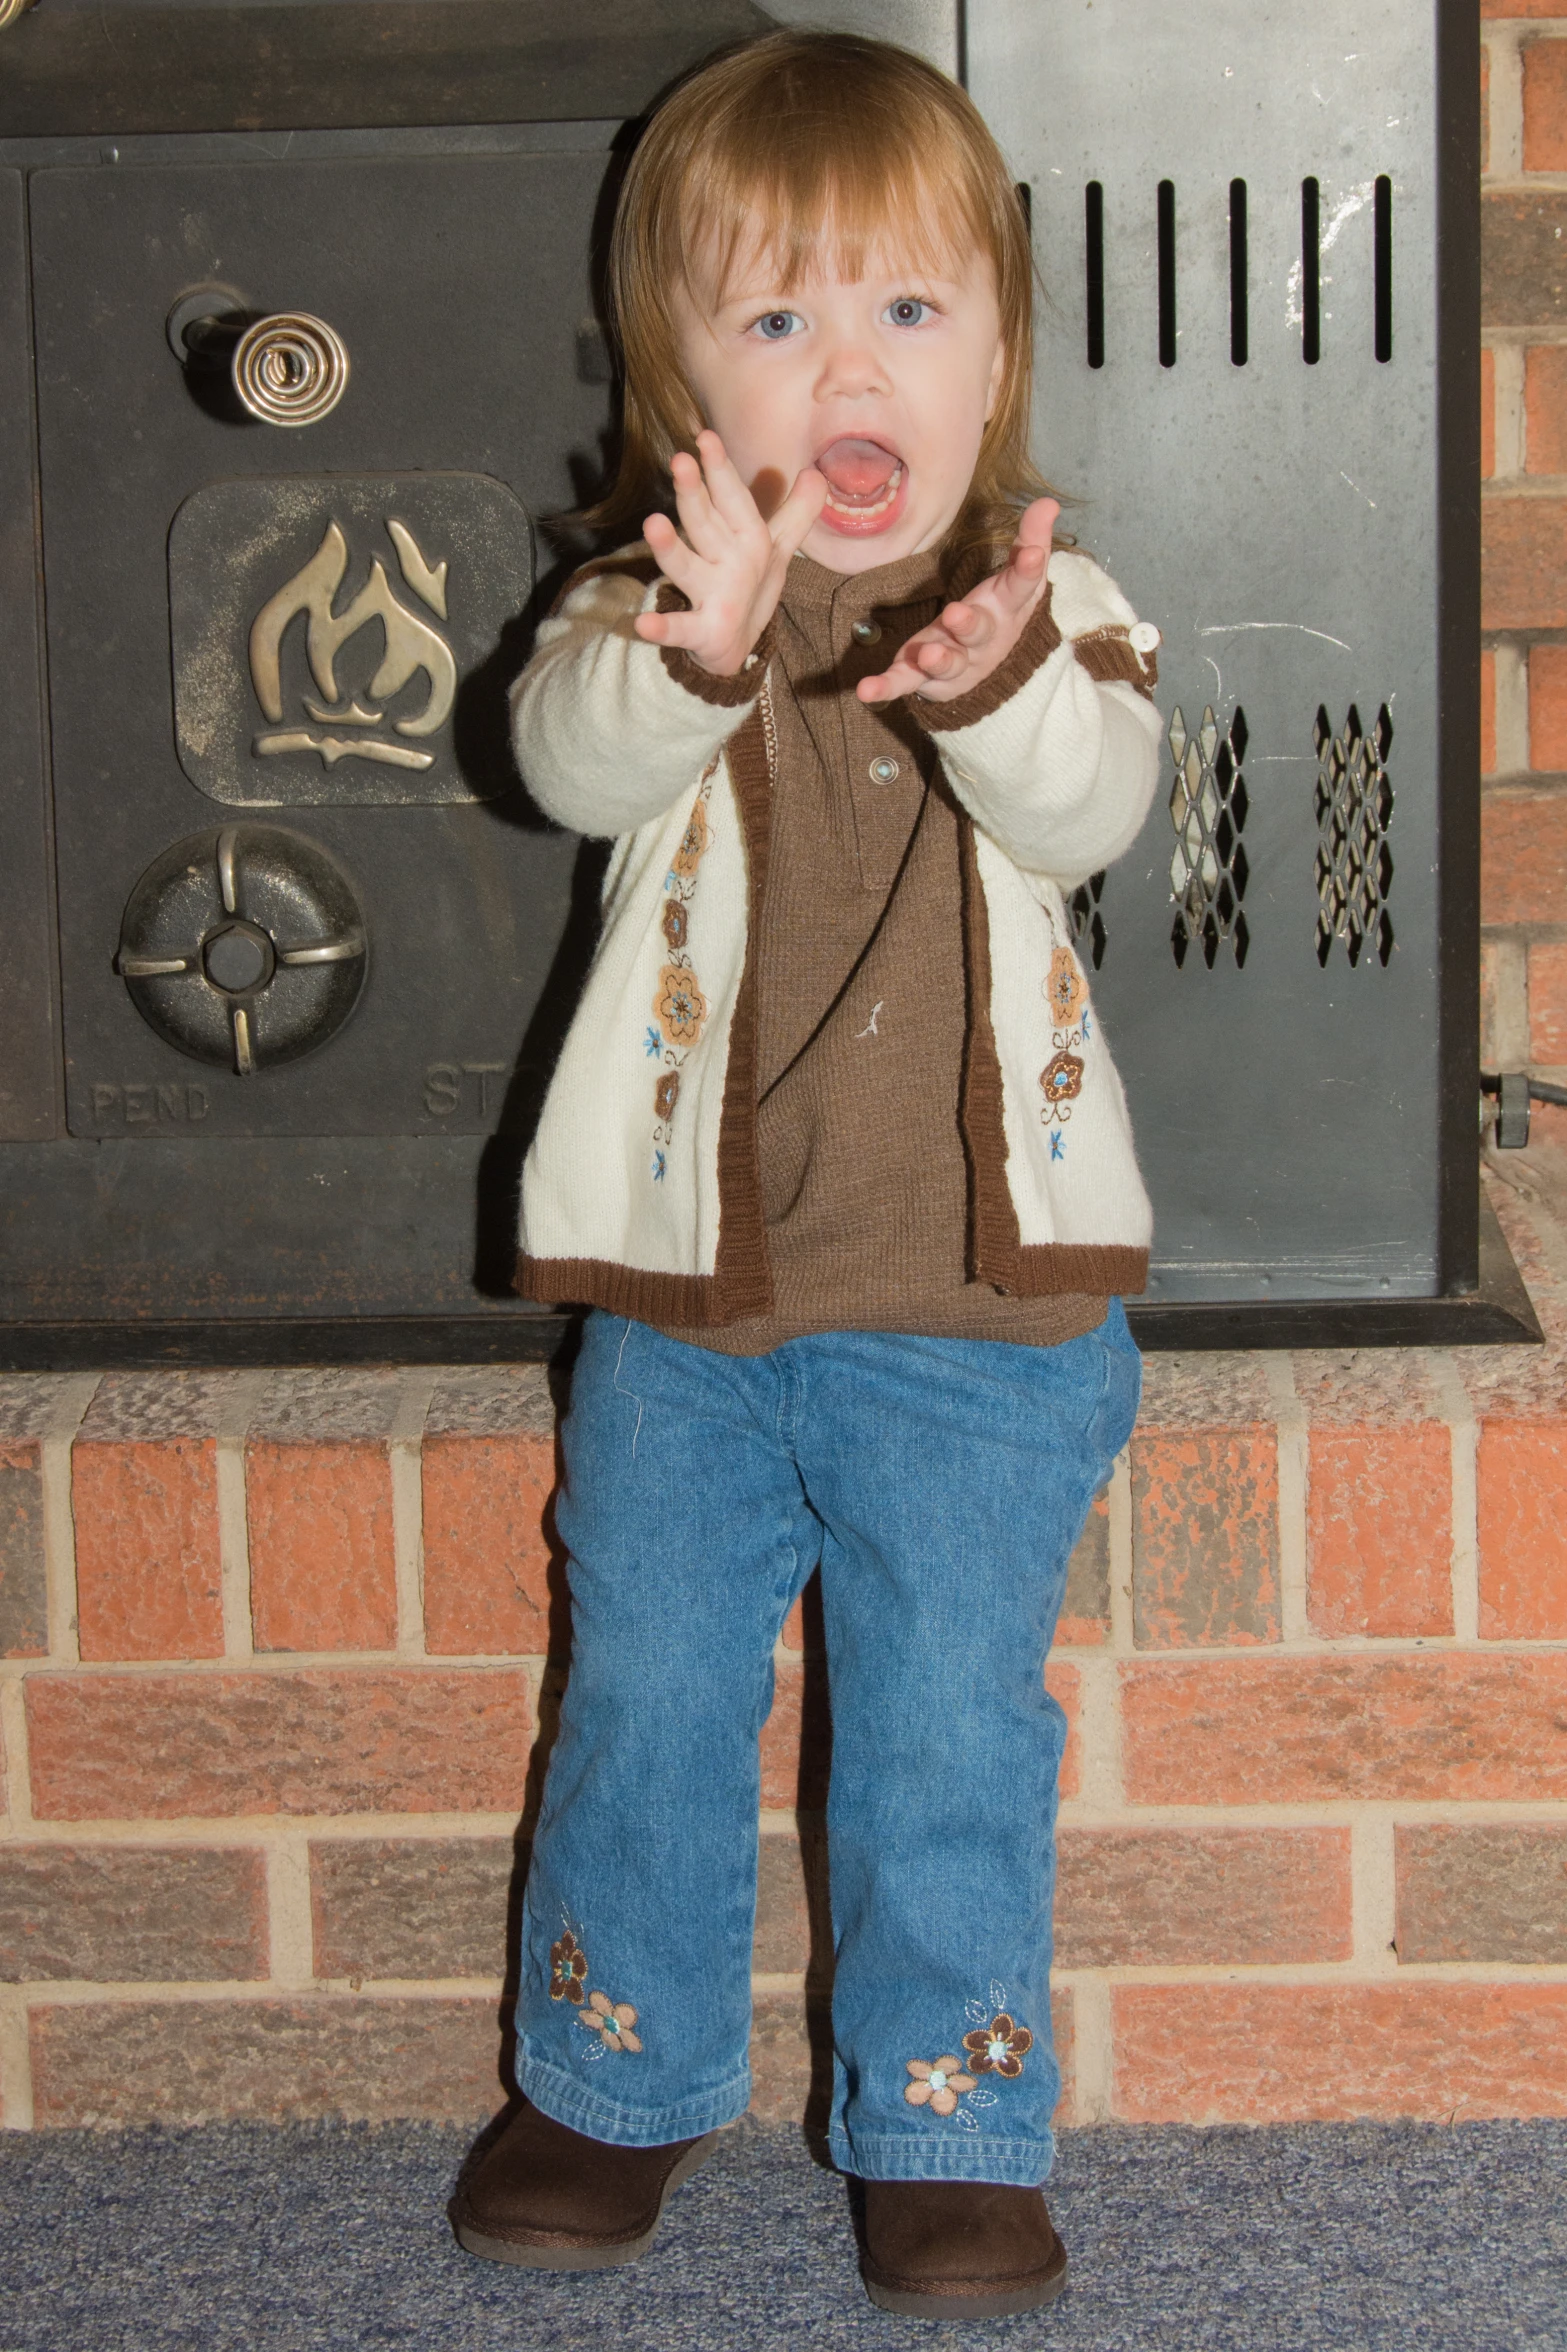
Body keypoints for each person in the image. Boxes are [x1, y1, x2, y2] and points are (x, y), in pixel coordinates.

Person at [451, 28, 1159, 2321]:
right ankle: (607, 2075)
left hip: (981, 1322)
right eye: (779, 319)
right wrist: (699, 656)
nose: (847, 366)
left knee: (948, 1712)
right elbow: (561, 761)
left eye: (906, 312)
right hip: (691, 1321)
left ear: (994, 363)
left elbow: (1100, 805)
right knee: (651, 1684)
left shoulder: (1057, 611)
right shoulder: (644, 612)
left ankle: (948, 2119)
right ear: (692, 377)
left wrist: (984, 685)